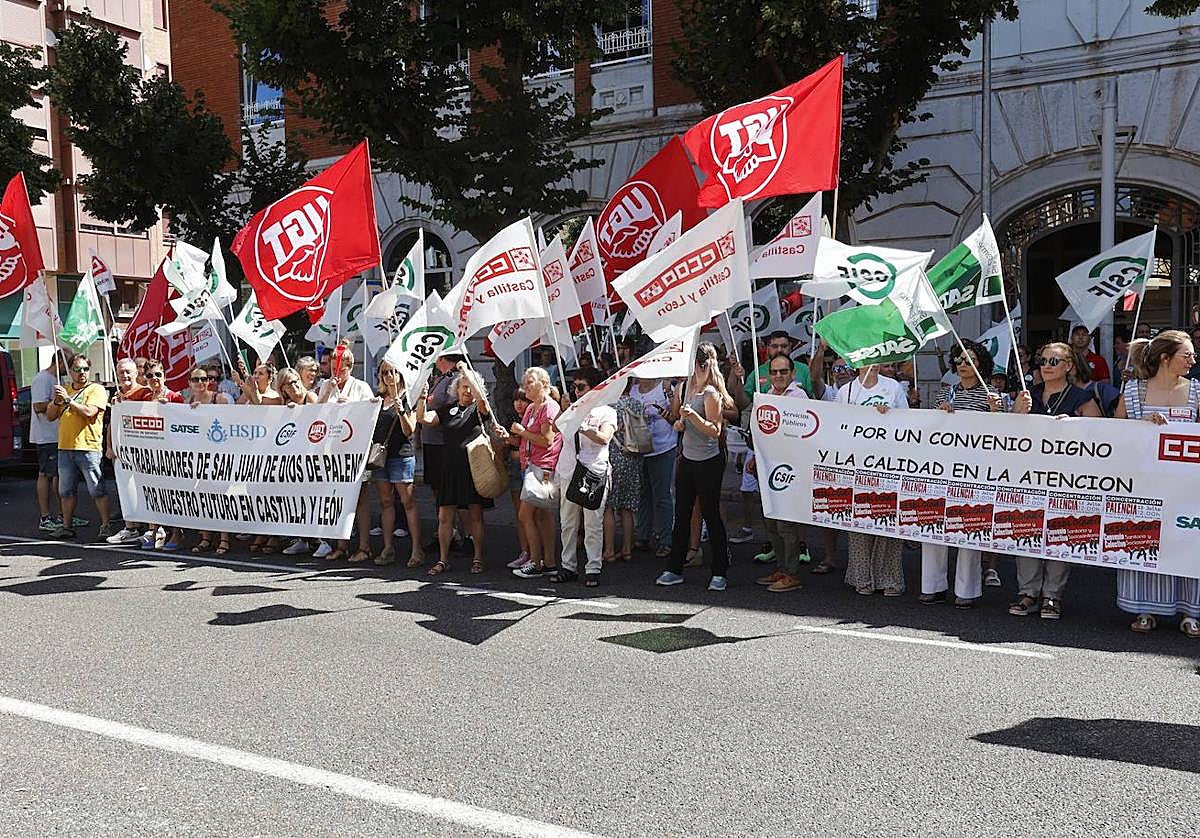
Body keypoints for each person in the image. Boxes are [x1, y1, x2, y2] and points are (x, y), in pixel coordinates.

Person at [920, 340, 1029, 607]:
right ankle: (931, 585)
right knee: (934, 524)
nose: (963, 365)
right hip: (943, 468)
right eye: (958, 360)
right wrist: (941, 415)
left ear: (981, 363)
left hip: (975, 471)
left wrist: (995, 412)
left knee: (967, 526)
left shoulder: (992, 395)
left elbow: (1002, 437)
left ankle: (966, 590)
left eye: (969, 360)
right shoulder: (945, 393)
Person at [1114, 331, 1200, 637]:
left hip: (1186, 487)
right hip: (1144, 484)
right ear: (1166, 358)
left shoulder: (1197, 391)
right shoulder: (1134, 391)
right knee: (1144, 540)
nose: (1193, 360)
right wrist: (1143, 427)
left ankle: (1191, 612)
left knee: (1188, 541)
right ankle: (1144, 608)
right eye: (1186, 355)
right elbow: (1114, 434)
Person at [1007, 342, 1099, 620]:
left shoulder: (1082, 398)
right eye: (1043, 360)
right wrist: (1017, 412)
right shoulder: (1029, 396)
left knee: (1059, 533)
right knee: (1027, 531)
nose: (1046, 366)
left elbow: (1100, 436)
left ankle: (1052, 595)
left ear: (1068, 366)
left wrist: (1075, 427)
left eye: (1054, 361)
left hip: (1066, 480)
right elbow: (1008, 437)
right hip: (1029, 478)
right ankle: (1028, 592)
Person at [656, 343, 735, 591]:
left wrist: (693, 418)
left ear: (699, 364)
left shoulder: (711, 393)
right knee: (682, 514)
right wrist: (675, 420)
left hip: (709, 460)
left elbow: (715, 430)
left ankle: (720, 571)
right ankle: (674, 568)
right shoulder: (685, 387)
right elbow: (678, 419)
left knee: (710, 514)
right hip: (688, 458)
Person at [838, 364, 909, 596]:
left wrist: (889, 417)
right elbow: (836, 426)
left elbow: (908, 422)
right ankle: (862, 578)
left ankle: (889, 578)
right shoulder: (845, 392)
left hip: (888, 463)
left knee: (887, 522)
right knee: (859, 523)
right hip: (857, 464)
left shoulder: (893, 387)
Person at [416, 363, 491, 575]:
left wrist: (467, 372)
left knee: (475, 514)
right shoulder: (446, 410)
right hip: (449, 469)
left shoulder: (479, 410)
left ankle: (477, 558)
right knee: (444, 516)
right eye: (463, 386)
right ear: (456, 389)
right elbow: (424, 419)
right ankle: (442, 560)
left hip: (473, 470)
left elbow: (483, 401)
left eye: (470, 387)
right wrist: (422, 399)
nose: (467, 390)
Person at [752, 354, 812, 593]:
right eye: (775, 372)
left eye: (783, 372)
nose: (778, 376)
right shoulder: (765, 396)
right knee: (771, 522)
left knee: (786, 524)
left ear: (792, 373)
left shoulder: (798, 396)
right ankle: (781, 567)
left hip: (790, 468)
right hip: (767, 466)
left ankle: (792, 573)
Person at [553, 368, 616, 587]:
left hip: (593, 471)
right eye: (574, 387)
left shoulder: (606, 411)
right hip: (569, 469)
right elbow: (555, 429)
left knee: (592, 523)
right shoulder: (572, 408)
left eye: (581, 387)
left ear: (595, 388)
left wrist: (583, 426)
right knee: (568, 522)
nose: (577, 391)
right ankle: (568, 566)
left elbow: (604, 437)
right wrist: (565, 410)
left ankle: (593, 567)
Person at [318, 341, 376, 563]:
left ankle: (363, 546)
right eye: (334, 368)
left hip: (354, 450)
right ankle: (340, 544)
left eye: (341, 369)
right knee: (337, 498)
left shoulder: (361, 387)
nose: (337, 373)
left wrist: (350, 406)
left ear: (350, 368)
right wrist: (329, 393)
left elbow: (371, 412)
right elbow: (315, 412)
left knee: (360, 498)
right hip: (332, 450)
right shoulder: (326, 386)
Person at [46, 355, 113, 540]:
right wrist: (57, 401)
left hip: (88, 447)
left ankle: (106, 525)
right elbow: (50, 416)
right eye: (77, 369)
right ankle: (67, 526)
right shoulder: (65, 390)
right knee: (65, 491)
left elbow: (90, 412)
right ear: (70, 372)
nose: (81, 373)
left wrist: (68, 401)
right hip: (65, 448)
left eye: (85, 369)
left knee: (97, 490)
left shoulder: (96, 389)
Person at [509, 366, 563, 578]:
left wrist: (522, 432)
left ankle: (537, 562)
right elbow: (526, 438)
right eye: (524, 383)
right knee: (541, 513)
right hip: (531, 465)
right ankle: (548, 562)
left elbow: (546, 440)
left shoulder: (549, 407)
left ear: (544, 384)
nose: (526, 387)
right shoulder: (532, 408)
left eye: (530, 382)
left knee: (526, 514)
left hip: (544, 466)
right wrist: (511, 437)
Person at [372, 361, 422, 568]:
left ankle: (416, 548)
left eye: (392, 372)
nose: (388, 376)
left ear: (400, 374)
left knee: (407, 501)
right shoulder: (378, 399)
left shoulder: (407, 398)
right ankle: (388, 547)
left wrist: (401, 411)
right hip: (382, 457)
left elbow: (410, 429)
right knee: (385, 502)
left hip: (402, 456)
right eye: (384, 373)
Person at [134, 360, 185, 550]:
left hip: (171, 453)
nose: (154, 379)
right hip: (150, 452)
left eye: (158, 374)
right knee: (153, 494)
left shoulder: (174, 396)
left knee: (172, 495)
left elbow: (184, 423)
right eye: (150, 375)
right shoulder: (145, 397)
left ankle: (177, 533)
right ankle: (155, 531)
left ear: (164, 375)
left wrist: (170, 409)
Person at [185, 365, 232, 556]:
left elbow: (231, 423)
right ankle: (205, 537)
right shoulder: (187, 402)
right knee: (202, 497)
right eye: (195, 379)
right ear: (189, 383)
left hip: (219, 455)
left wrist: (206, 412)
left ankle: (224, 539)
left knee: (221, 497)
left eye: (203, 379)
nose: (200, 383)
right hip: (198, 457)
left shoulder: (219, 399)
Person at [630, 377, 677, 560]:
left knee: (662, 496)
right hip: (639, 450)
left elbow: (676, 415)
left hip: (663, 447)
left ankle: (666, 540)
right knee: (643, 494)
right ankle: (643, 535)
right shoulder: (633, 390)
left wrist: (670, 396)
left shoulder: (665, 387)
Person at [104, 359, 149, 546]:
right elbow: (111, 424)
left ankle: (149, 529)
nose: (125, 375)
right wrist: (109, 445)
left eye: (129, 372)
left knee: (144, 490)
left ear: (136, 373)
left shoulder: (144, 393)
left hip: (142, 450)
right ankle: (130, 527)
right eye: (121, 372)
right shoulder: (117, 395)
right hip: (121, 452)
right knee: (125, 488)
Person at [604, 381, 646, 564]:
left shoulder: (609, 406)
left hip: (614, 457)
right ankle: (627, 548)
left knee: (609, 507)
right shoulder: (638, 404)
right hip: (633, 457)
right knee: (627, 508)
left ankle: (609, 550)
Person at [30, 351, 67, 532]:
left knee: (59, 475)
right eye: (68, 363)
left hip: (58, 435)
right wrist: (61, 402)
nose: (70, 368)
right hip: (47, 436)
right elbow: (38, 406)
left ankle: (64, 514)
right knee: (46, 474)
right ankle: (45, 518)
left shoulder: (56, 379)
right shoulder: (43, 378)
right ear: (59, 362)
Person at [500, 388, 533, 569]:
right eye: (516, 400)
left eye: (523, 400)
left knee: (532, 514)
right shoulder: (513, 420)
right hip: (515, 468)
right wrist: (507, 439)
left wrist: (514, 439)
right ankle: (525, 551)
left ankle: (536, 554)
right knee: (520, 513)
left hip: (529, 467)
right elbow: (515, 445)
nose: (519, 404)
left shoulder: (535, 416)